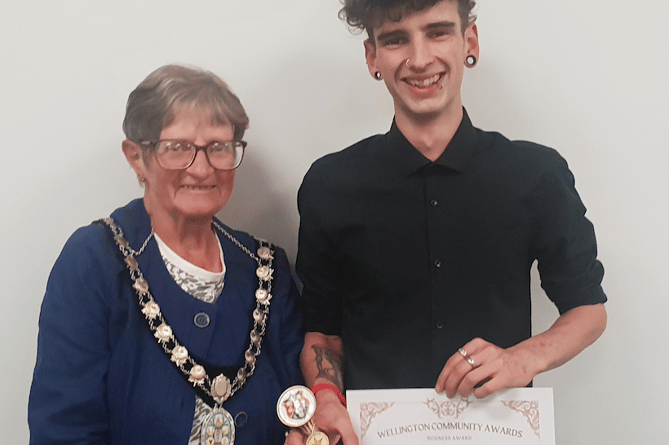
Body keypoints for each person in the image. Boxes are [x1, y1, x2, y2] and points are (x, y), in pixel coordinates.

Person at [290, 1, 608, 444]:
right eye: (396, 39)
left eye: (437, 32)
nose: (419, 59)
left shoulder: (536, 175)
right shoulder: (330, 185)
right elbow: (322, 330)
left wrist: (523, 359)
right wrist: (325, 397)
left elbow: (588, 309)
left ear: (469, 42)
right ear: (372, 58)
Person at [28, 64, 304, 444]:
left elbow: (300, 408)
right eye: (178, 148)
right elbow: (64, 430)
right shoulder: (93, 262)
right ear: (137, 157)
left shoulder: (267, 269)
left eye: (219, 147)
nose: (203, 167)